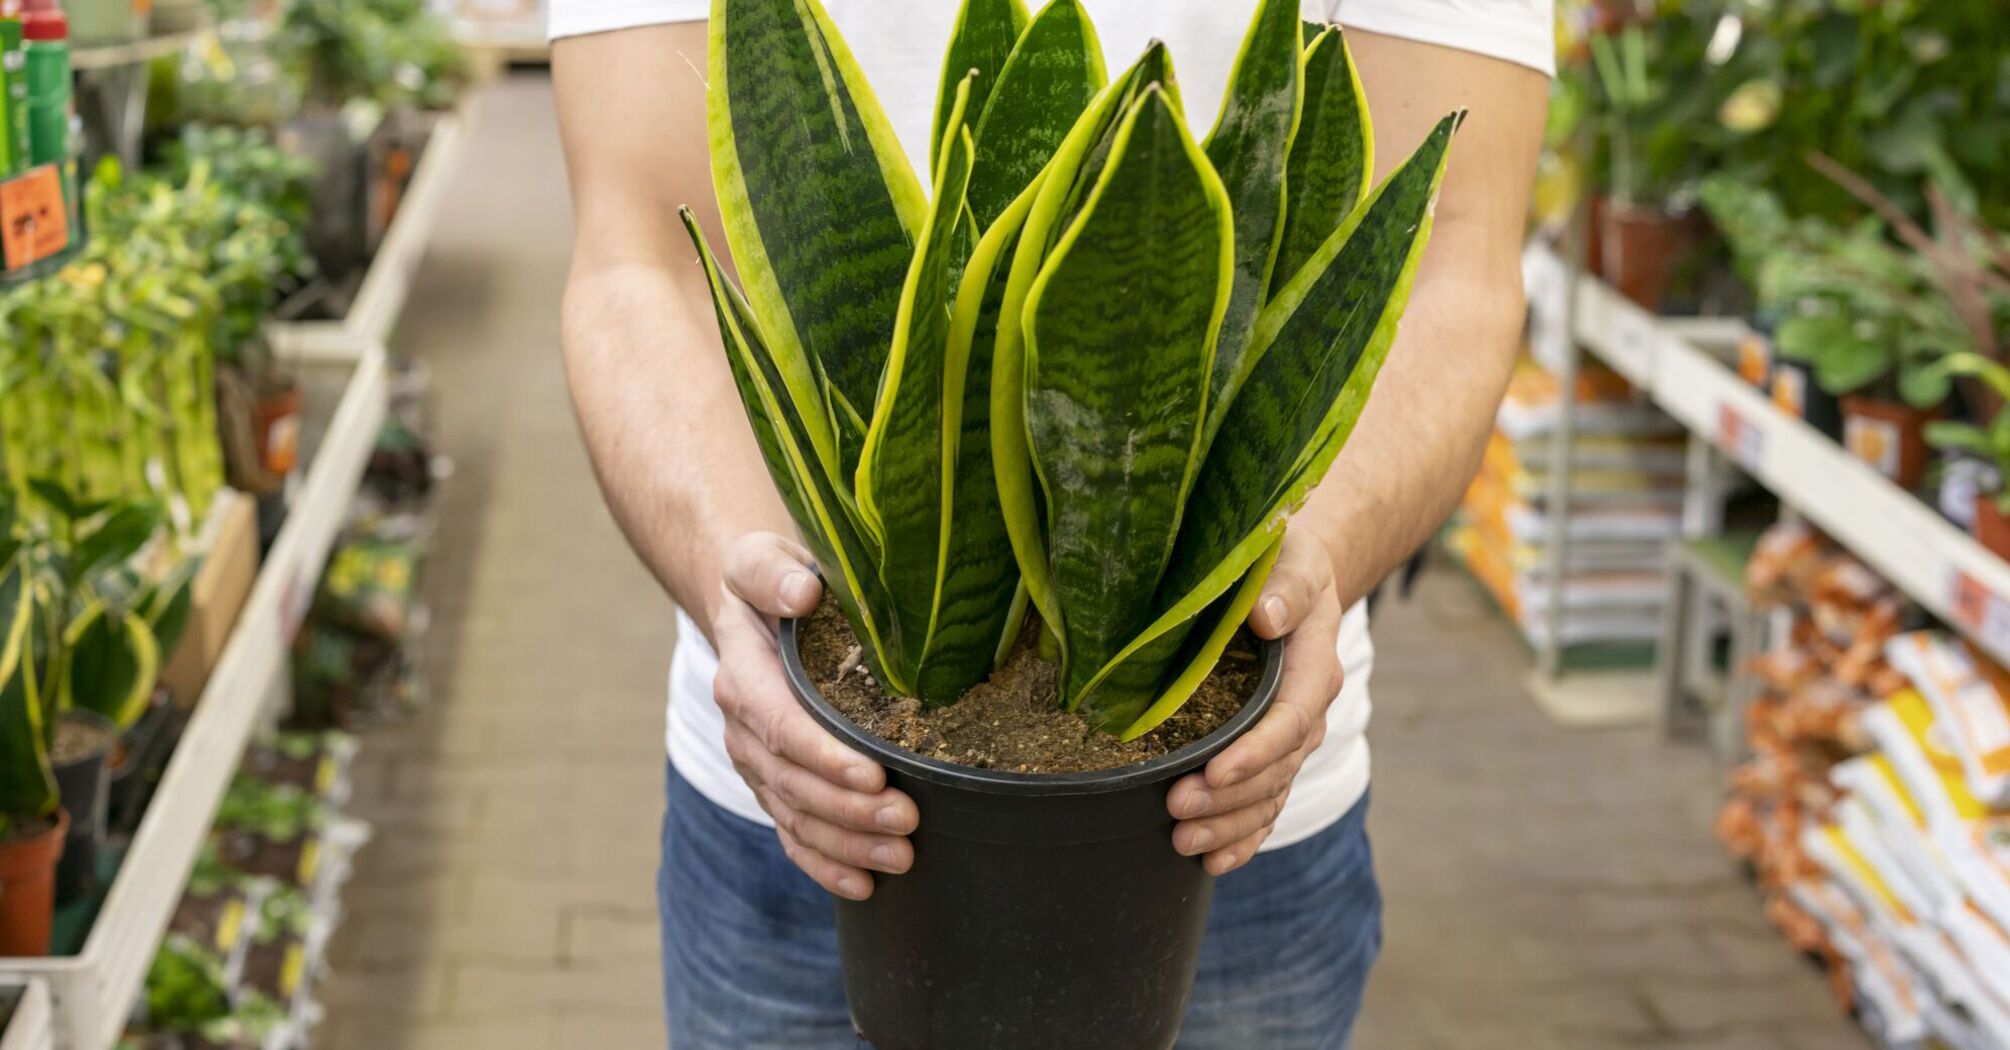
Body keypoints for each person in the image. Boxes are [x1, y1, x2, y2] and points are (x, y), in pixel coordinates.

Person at [550, 2, 1550, 1047]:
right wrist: (737, 577)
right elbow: (636, 259)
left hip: (1233, 826)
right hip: (791, 798)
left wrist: (1304, 559)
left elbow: (1456, 267)